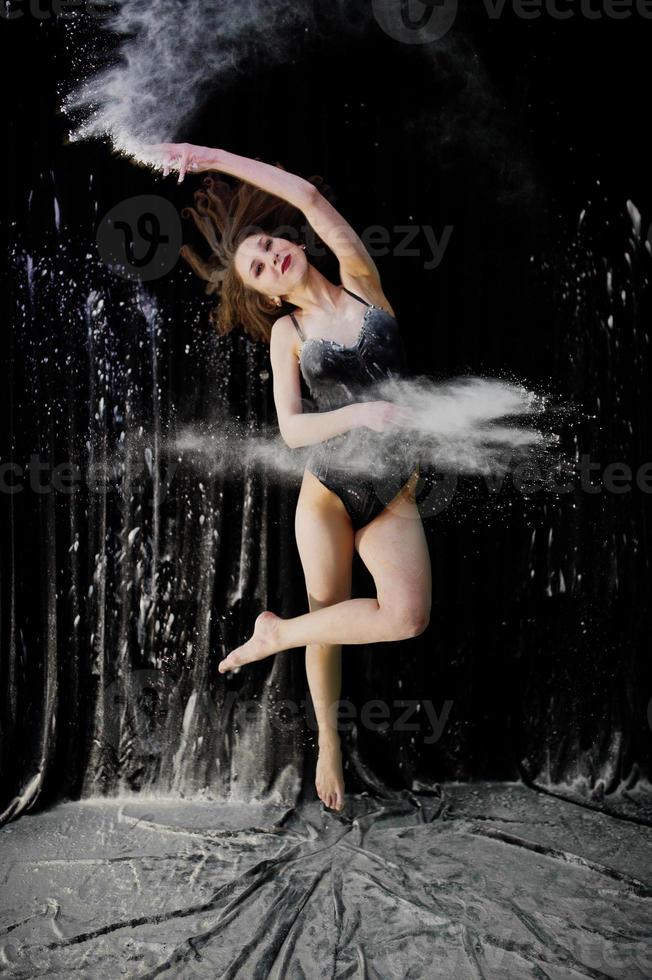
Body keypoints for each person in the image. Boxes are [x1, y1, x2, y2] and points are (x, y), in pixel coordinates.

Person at [135, 142, 432, 812]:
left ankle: (276, 634)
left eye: (269, 243)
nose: (273, 257)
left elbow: (307, 194)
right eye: (261, 266)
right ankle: (328, 741)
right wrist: (363, 411)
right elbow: (292, 431)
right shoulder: (287, 335)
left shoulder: (360, 278)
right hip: (328, 493)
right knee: (329, 619)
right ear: (266, 291)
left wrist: (211, 156)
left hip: (392, 491)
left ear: (287, 239)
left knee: (408, 616)